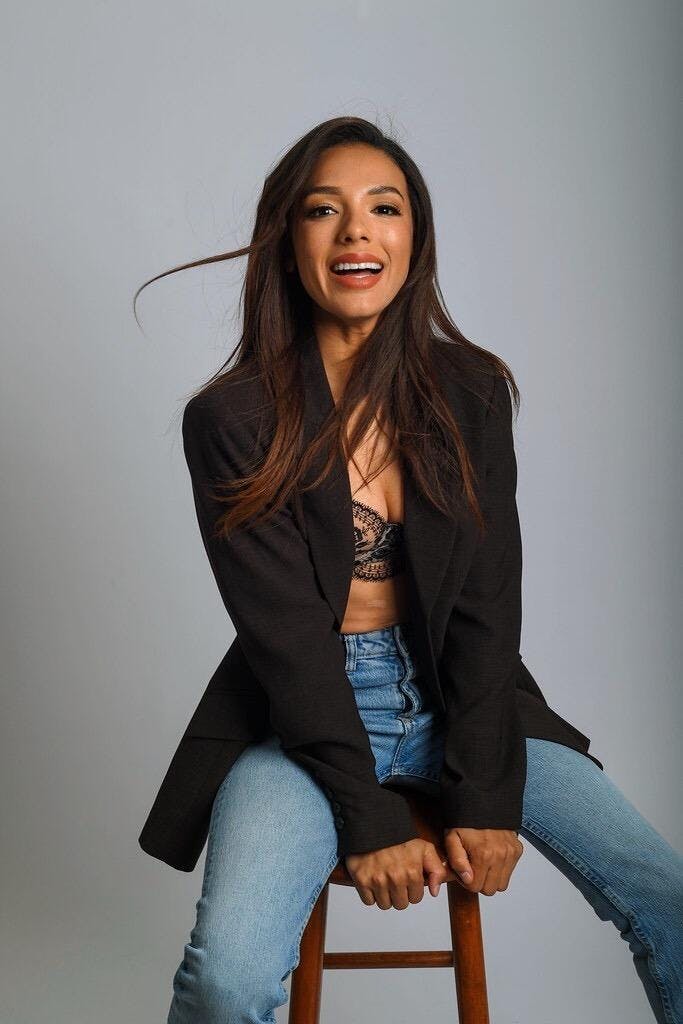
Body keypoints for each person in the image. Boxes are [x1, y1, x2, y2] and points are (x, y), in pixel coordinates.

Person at [133, 117, 683, 1024]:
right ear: (287, 241)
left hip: (465, 700)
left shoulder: (470, 391)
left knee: (668, 901)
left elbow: (485, 609)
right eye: (323, 210)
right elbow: (289, 644)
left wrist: (485, 792)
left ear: (413, 237)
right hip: (300, 717)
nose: (357, 230)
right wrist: (370, 817)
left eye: (383, 208)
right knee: (227, 978)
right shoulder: (233, 419)